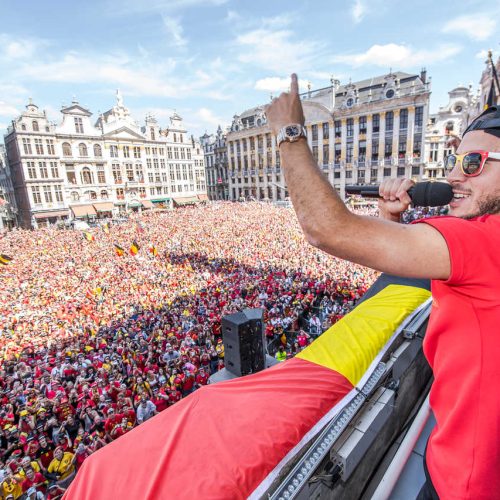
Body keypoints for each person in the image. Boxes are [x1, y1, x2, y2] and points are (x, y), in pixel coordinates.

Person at [267, 76, 500, 499]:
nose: (453, 177)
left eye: (473, 163)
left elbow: (326, 229)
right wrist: (393, 224)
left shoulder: (487, 238)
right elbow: (417, 269)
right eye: (454, 161)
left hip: (466, 484)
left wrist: (289, 132)